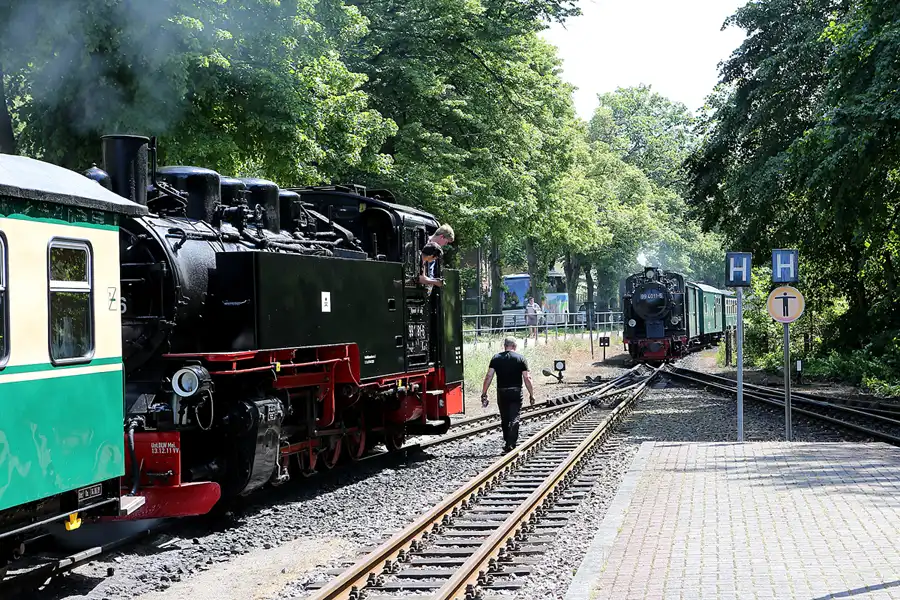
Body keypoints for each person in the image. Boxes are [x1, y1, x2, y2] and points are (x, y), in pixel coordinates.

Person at [480, 338, 535, 453]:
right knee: (514, 417)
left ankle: (507, 442)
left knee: (504, 417)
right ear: (515, 346)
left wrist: (484, 393)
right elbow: (527, 378)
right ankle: (511, 443)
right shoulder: (520, 358)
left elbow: (489, 376)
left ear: (504, 346)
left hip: (502, 391)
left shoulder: (496, 358)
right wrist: (531, 394)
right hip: (516, 391)